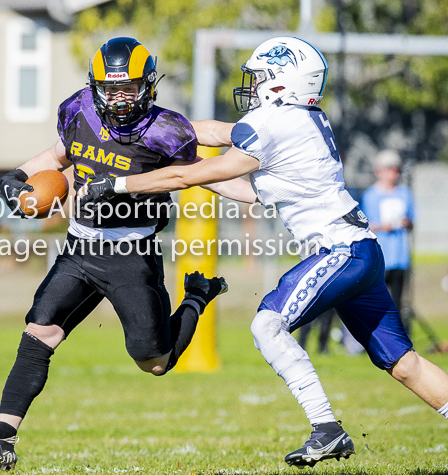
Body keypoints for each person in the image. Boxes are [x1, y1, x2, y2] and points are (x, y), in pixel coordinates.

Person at [80, 36, 448, 467]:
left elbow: (208, 165)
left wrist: (119, 182)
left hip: (340, 251)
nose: (252, 86)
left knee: (267, 325)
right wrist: (165, 147)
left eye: (258, 78)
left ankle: (326, 428)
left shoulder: (276, 122)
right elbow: (235, 178)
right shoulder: (298, 120)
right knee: (404, 364)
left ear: (281, 81)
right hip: (361, 252)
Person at [0, 37, 228, 473]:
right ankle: (0, 441)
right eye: (110, 89)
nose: (118, 99)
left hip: (132, 256)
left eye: (128, 88)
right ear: (95, 86)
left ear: (148, 86)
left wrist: (257, 189)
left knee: (155, 363)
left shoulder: (164, 130)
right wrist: (20, 174)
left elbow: (203, 174)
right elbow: (60, 155)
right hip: (80, 247)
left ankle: (196, 297)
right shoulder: (79, 109)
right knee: (40, 330)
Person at [361, 149, 415, 332]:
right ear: (379, 171)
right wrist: (385, 226)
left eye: (396, 169)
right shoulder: (370, 195)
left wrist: (406, 222)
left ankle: (398, 338)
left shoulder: (405, 193)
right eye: (390, 169)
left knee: (398, 302)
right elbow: (364, 226)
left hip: (400, 256)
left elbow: (412, 221)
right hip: (380, 257)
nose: (394, 173)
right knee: (377, 302)